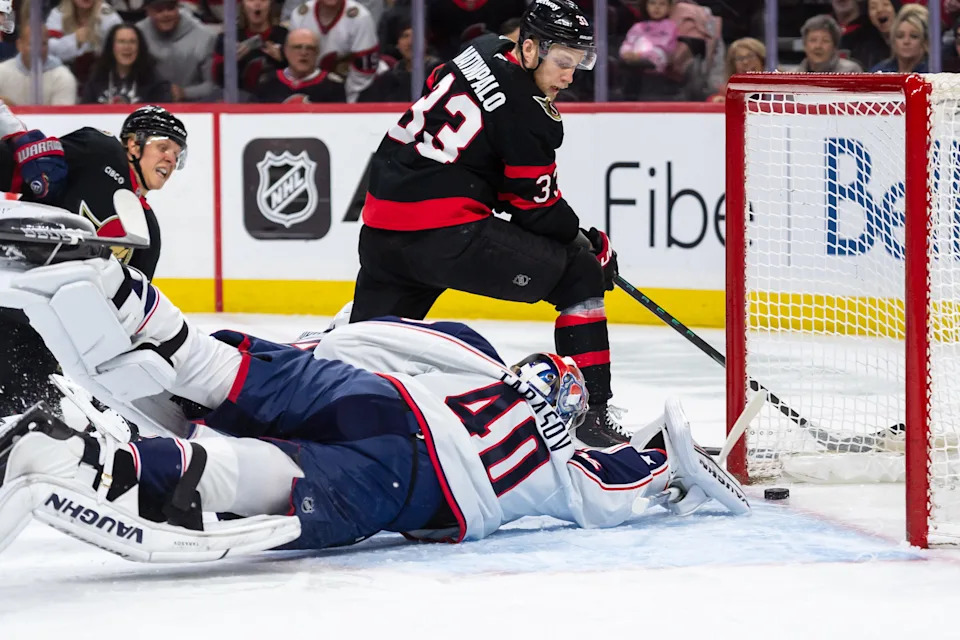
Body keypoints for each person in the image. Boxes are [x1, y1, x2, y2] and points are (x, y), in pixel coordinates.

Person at [0, 249, 750, 561]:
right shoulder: (571, 458)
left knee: (215, 368)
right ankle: (75, 455)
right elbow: (630, 478)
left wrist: (303, 354)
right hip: (409, 482)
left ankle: (122, 293)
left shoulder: (476, 358)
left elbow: (382, 335)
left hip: (372, 396)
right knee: (241, 478)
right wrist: (671, 472)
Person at [350, 0, 626, 448]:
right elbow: (532, 208)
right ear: (531, 48)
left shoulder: (479, 49)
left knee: (362, 351)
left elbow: (440, 90)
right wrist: (588, 243)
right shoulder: (530, 114)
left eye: (576, 66)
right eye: (562, 63)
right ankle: (592, 419)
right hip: (446, 238)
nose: (569, 77)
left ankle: (326, 417)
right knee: (579, 272)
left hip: (381, 233)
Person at [0, 104, 187, 417]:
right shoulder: (100, 151)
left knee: (33, 421)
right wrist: (24, 161)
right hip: (10, 298)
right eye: (163, 146)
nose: (171, 158)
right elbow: (23, 169)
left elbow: (126, 314)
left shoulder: (147, 232)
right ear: (133, 143)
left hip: (49, 335)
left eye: (177, 153)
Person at [287, 0, 380, 103]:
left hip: (350, 89)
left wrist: (349, 102)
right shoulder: (300, 15)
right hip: (308, 86)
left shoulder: (361, 18)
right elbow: (294, 61)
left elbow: (364, 71)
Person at [136, 0, 216, 101]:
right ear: (148, 11)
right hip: (149, 105)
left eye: (170, 8)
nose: (166, 14)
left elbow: (212, 86)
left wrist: (184, 93)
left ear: (178, 7)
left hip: (195, 108)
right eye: (159, 9)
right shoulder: (136, 35)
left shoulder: (205, 36)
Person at [212, 0, 287, 100]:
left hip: (276, 99)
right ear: (243, 4)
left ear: (271, 4)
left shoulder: (285, 36)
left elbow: (296, 75)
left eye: (263, 0)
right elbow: (217, 79)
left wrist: (284, 59)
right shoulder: (228, 38)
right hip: (239, 100)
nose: (257, 4)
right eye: (251, 0)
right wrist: (230, 63)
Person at [81, 23, 173, 104]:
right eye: (121, 41)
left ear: (139, 47)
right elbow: (84, 114)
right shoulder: (97, 78)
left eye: (132, 42)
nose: (127, 47)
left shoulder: (155, 82)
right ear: (112, 47)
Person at [254, 28, 346, 103]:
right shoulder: (268, 82)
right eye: (297, 47)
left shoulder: (334, 86)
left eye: (310, 48)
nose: (303, 53)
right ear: (286, 51)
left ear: (317, 52)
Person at [46, 0, 123, 84]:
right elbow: (48, 50)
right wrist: (74, 40)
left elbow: (120, 53)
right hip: (62, 78)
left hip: (102, 79)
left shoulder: (110, 17)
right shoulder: (58, 13)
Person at [0, 25, 79, 105]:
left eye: (43, 44)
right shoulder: (2, 72)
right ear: (19, 45)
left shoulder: (63, 77)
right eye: (32, 44)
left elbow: (62, 116)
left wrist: (14, 109)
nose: (38, 49)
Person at [870, 3, 930, 72]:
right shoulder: (880, 71)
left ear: (925, 41)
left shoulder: (932, 73)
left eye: (914, 36)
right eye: (900, 36)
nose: (906, 41)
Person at [707, 37, 764, 103]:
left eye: (751, 56)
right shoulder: (727, 91)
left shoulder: (777, 88)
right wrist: (718, 101)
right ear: (733, 66)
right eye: (739, 58)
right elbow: (711, 102)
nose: (745, 62)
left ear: (762, 60)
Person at [798, 15, 864, 73]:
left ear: (834, 47)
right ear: (805, 45)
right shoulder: (793, 74)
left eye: (825, 40)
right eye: (813, 40)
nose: (818, 46)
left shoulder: (850, 71)